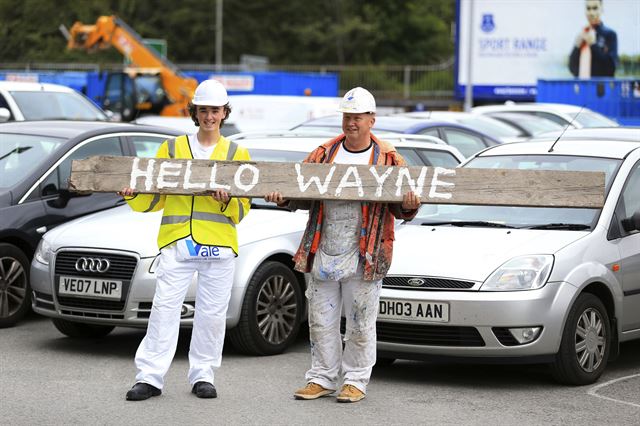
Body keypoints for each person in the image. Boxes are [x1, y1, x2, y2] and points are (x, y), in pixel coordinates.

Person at [265, 87, 420, 403]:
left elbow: (400, 209)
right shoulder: (324, 154)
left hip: (367, 253)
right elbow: (301, 192)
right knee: (321, 320)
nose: (351, 123)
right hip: (324, 249)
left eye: (358, 117)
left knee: (361, 322)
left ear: (371, 120)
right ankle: (321, 378)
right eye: (348, 117)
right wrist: (284, 198)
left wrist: (409, 204)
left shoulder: (389, 159)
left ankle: (356, 381)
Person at [119, 79, 251, 401]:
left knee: (211, 313)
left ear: (223, 113)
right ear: (195, 112)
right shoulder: (173, 148)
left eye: (214, 111)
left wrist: (225, 201)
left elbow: (242, 209)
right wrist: (133, 196)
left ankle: (203, 375)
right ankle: (149, 377)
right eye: (203, 110)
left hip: (218, 246)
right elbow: (156, 199)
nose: (209, 116)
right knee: (164, 309)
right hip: (178, 242)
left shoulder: (237, 152)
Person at [569, 0, 618, 78]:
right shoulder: (582, 35)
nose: (591, 13)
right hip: (583, 87)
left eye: (595, 8)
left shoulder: (610, 34)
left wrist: (593, 45)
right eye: (588, 8)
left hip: (601, 88)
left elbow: (611, 68)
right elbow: (572, 68)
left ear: (601, 9)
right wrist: (576, 47)